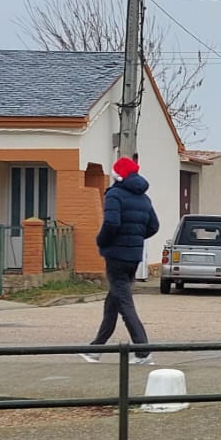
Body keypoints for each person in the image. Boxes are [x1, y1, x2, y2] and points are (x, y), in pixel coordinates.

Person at [83, 156, 157, 364]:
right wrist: (134, 238)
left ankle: (143, 351)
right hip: (133, 257)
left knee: (124, 303)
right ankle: (95, 348)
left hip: (116, 255)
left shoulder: (115, 195)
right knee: (113, 301)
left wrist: (101, 241)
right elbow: (154, 226)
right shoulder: (144, 198)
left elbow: (111, 223)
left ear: (118, 174)